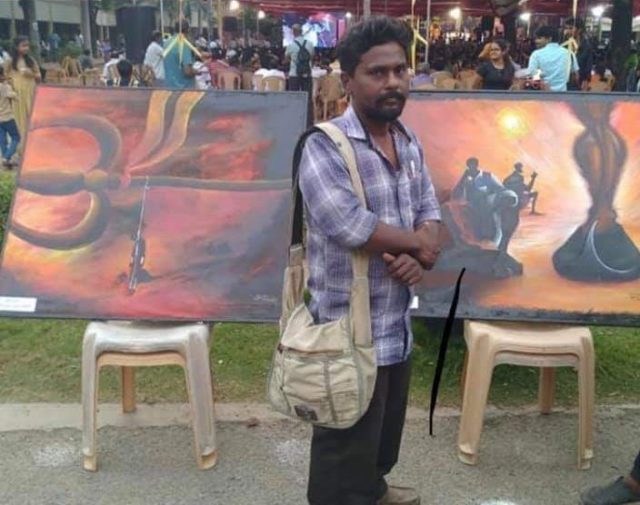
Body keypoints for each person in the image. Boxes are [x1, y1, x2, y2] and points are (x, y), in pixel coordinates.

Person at [299, 16, 441, 505]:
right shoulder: (324, 146)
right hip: (347, 328)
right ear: (348, 80)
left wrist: (420, 255)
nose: (393, 82)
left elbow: (429, 212)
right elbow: (348, 224)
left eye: (400, 70)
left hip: (394, 322)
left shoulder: (408, 142)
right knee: (342, 439)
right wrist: (416, 246)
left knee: (381, 433)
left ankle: (374, 489)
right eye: (377, 73)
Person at [4, 36, 41, 154]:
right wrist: (10, 87)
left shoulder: (31, 61)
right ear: (16, 47)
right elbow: (4, 78)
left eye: (27, 45)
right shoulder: (10, 62)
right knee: (19, 121)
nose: (26, 48)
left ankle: (33, 146)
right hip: (17, 96)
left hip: (30, 93)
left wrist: (31, 73)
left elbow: (39, 76)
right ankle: (22, 149)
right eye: (23, 46)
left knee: (31, 119)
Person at [518, 26, 579, 91]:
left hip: (542, 94)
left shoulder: (536, 54)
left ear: (549, 39)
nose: (536, 41)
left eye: (539, 38)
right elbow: (575, 76)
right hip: (563, 94)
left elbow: (532, 73)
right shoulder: (569, 53)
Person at [163, 20, 195, 89]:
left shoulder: (166, 44)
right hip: (183, 89)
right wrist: (197, 71)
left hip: (169, 87)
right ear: (187, 30)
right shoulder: (184, 44)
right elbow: (187, 71)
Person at [564, 17, 593, 90]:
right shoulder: (563, 45)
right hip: (563, 82)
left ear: (579, 30)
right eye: (566, 28)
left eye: (570, 28)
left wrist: (586, 80)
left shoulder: (586, 46)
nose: (567, 31)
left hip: (579, 83)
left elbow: (588, 65)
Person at [285, 24, 315, 92]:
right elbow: (312, 57)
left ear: (293, 32)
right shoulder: (310, 44)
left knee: (294, 95)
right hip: (307, 73)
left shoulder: (291, 45)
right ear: (301, 31)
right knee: (307, 95)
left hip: (294, 73)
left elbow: (286, 59)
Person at [0, 66, 19, 168]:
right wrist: (10, 85)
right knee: (16, 137)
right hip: (7, 117)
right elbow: (14, 96)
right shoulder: (5, 87)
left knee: (3, 140)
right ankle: (6, 157)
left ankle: (6, 162)